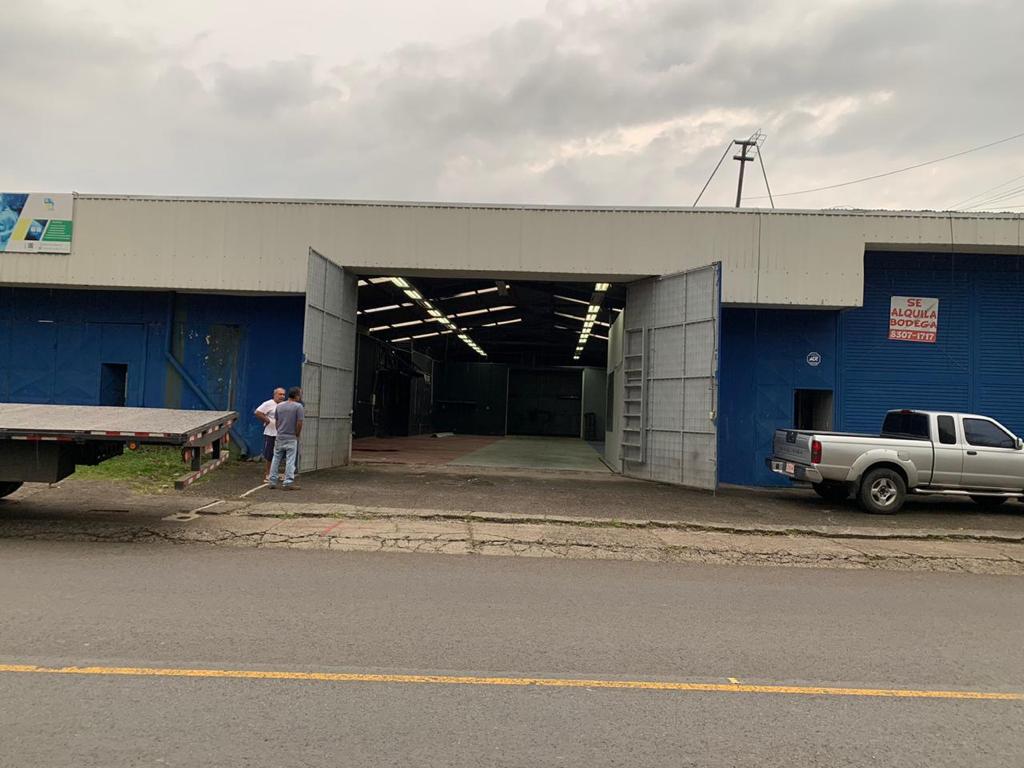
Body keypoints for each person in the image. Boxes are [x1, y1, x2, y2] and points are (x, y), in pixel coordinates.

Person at [268, 387, 304, 490]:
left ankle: (272, 481)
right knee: (290, 460)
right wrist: (297, 434)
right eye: (300, 394)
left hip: (280, 436)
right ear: (297, 395)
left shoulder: (279, 406)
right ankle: (288, 482)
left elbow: (277, 421)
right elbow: (299, 422)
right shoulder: (298, 407)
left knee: (276, 458)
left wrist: (279, 431)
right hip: (291, 436)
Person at [254, 387, 286, 482]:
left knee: (279, 454)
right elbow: (258, 412)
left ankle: (275, 473)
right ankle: (268, 474)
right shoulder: (268, 403)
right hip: (271, 433)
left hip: (281, 433)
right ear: (275, 395)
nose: (282, 396)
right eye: (280, 394)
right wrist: (267, 420)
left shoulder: (284, 405)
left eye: (283, 394)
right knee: (269, 454)